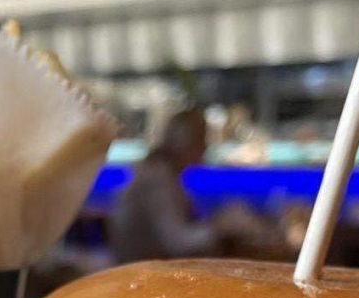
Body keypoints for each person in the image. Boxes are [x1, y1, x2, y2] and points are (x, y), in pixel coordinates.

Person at [109, 109, 257, 263]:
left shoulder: (164, 173)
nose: (206, 146)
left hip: (149, 268)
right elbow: (178, 243)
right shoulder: (156, 179)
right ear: (183, 142)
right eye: (201, 139)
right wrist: (222, 226)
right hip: (138, 275)